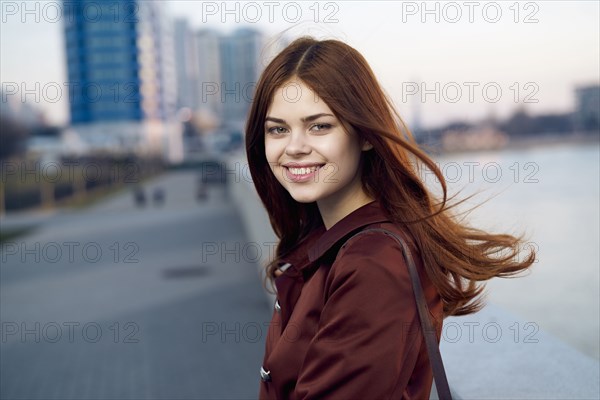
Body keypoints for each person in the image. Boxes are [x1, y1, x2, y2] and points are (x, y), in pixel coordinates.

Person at [245, 36, 536, 400]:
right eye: (278, 129)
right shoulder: (327, 240)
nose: (294, 147)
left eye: (319, 126)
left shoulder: (373, 265)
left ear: (365, 135)